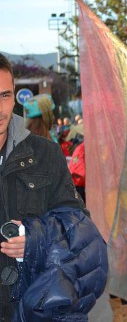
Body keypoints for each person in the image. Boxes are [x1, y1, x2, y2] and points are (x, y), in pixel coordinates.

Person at [0, 53, 107, 320]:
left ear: (14, 95)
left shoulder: (46, 153)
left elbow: (80, 230)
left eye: (4, 95)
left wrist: (37, 240)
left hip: (33, 307)